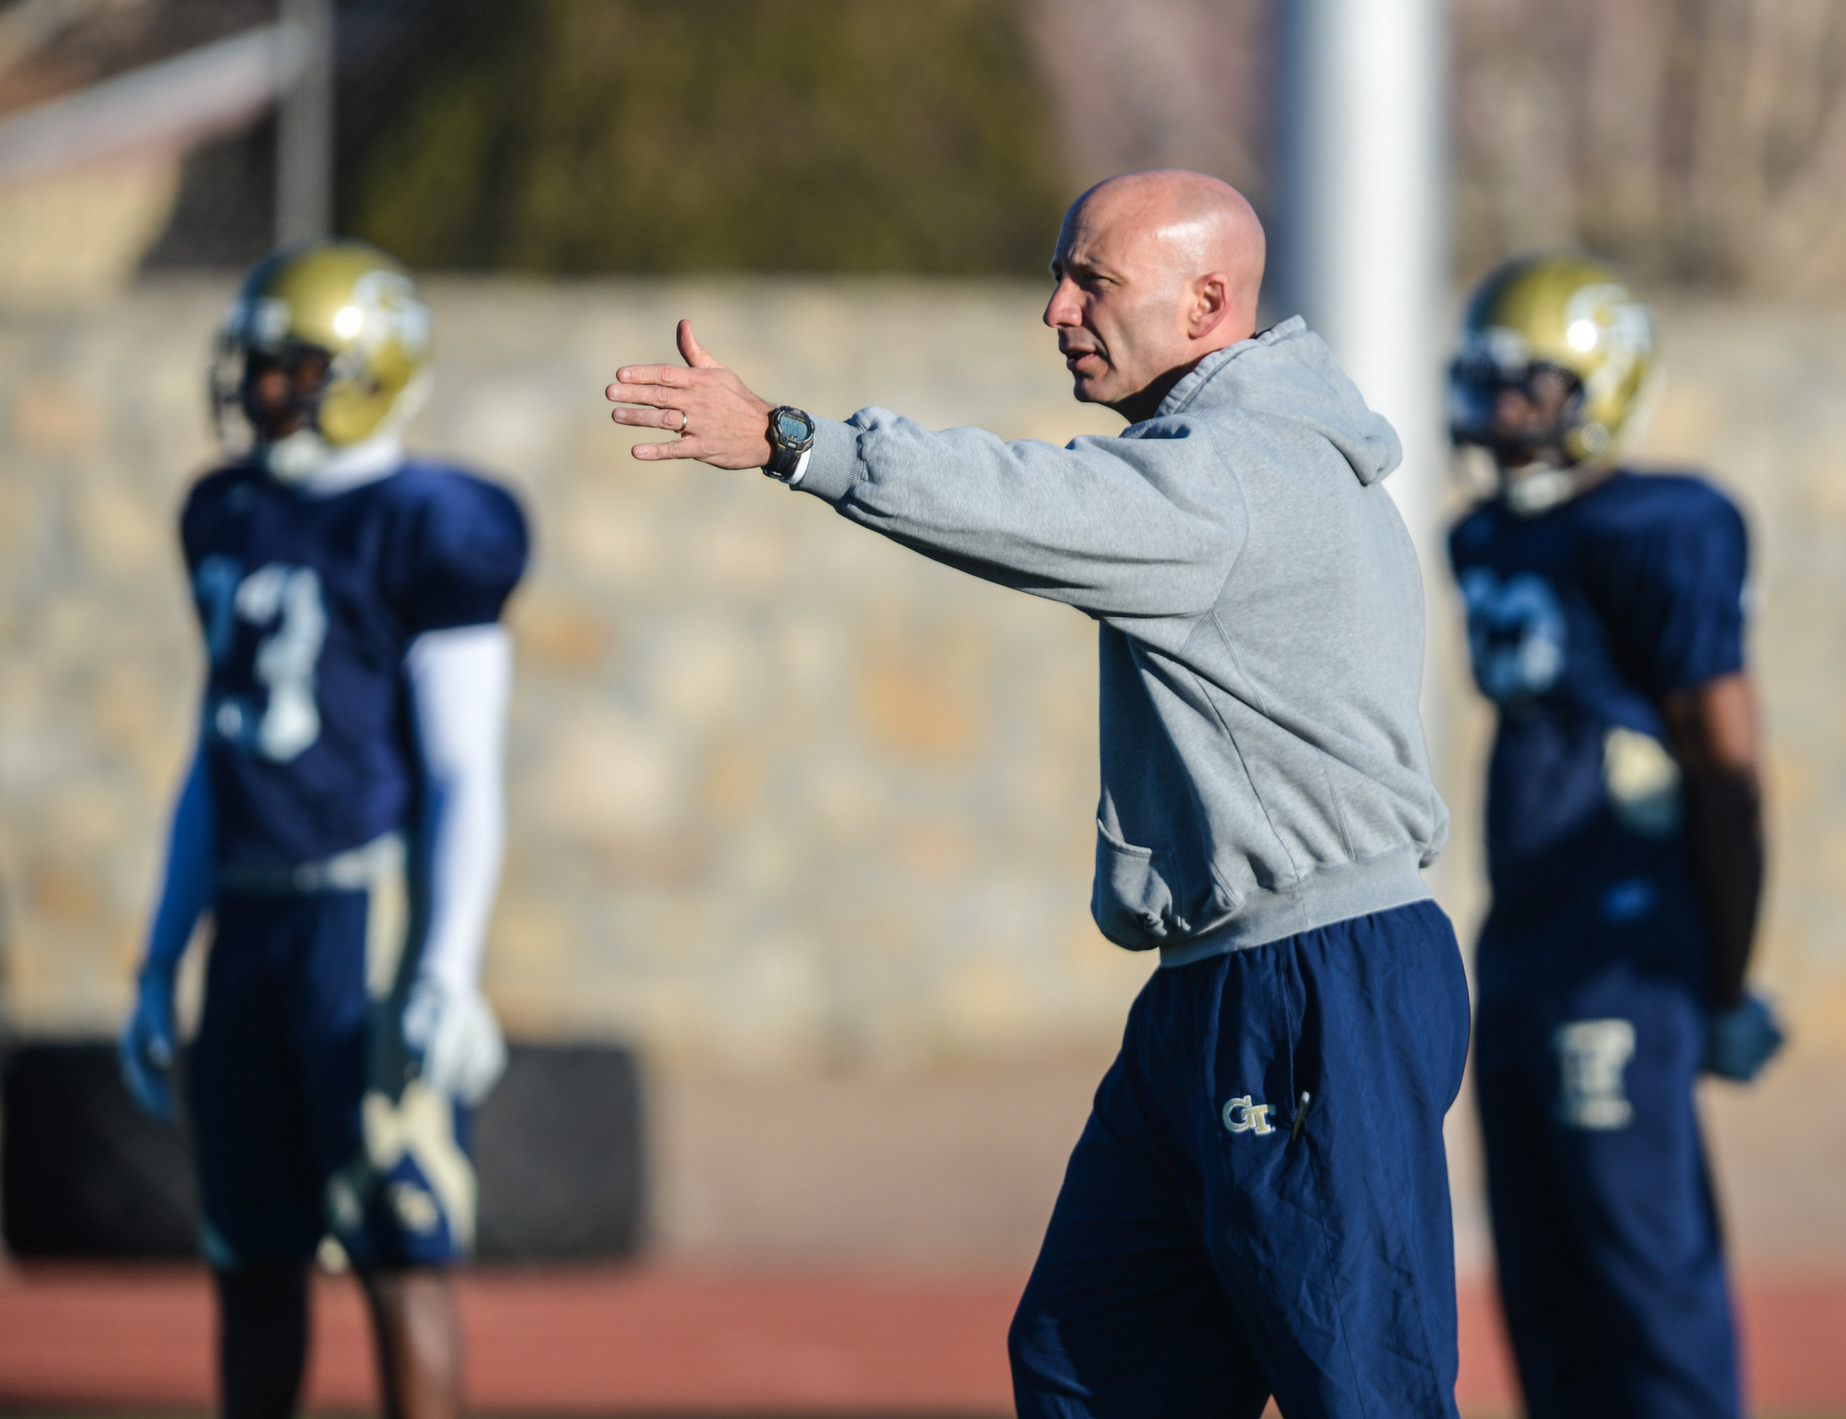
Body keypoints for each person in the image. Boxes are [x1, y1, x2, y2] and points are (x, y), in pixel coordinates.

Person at [603, 169, 1467, 1419]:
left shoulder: (1237, 477)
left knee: (1362, 1390)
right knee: (1091, 1368)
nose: (1055, 307)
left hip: (1312, 990)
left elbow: (1029, 501)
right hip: (1210, 993)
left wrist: (800, 444)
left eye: (1093, 281)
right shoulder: (1225, 458)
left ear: (1207, 301)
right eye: (1061, 272)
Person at [120, 241, 529, 1419]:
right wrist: (161, 954)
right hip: (248, 914)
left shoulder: (433, 524)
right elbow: (215, 751)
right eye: (254, 366)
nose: (257, 391)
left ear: (367, 373)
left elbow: (462, 768)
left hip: (367, 914)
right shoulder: (226, 511)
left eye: (287, 368)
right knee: (248, 1252)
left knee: (402, 1250)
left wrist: (446, 961)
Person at [1443, 251, 1780, 1419]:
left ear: (1601, 388)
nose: (1498, 414)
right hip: (1525, 930)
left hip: (1618, 943)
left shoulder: (1662, 524)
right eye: (1484, 384)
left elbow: (1726, 770)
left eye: (1526, 387)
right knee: (1540, 1270)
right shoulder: (1485, 536)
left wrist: (1723, 978)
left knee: (1640, 1262)